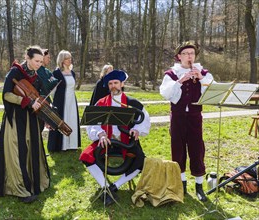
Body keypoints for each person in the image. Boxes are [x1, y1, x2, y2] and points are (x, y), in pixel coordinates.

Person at [79, 70, 151, 206]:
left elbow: (144, 120)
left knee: (140, 161)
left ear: (122, 84)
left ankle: (114, 187)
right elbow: (92, 124)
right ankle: (105, 186)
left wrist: (136, 130)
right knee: (86, 155)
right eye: (110, 83)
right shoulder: (101, 103)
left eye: (116, 83)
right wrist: (100, 134)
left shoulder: (133, 103)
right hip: (105, 141)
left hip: (126, 141)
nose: (113, 86)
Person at [0, 45, 50, 203]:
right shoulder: (15, 72)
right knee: (18, 151)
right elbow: (7, 95)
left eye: (41, 61)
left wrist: (42, 104)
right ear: (27, 58)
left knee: (31, 149)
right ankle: (19, 188)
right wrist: (25, 101)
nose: (39, 64)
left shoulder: (37, 76)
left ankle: (34, 183)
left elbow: (41, 94)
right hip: (16, 119)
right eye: (36, 61)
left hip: (31, 118)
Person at [159, 41, 214, 202]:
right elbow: (166, 93)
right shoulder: (172, 73)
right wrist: (181, 81)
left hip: (195, 117)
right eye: (186, 53)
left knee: (197, 149)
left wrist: (202, 78)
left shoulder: (203, 71)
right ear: (179, 56)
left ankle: (199, 186)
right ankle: (181, 185)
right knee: (178, 149)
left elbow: (213, 91)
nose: (189, 56)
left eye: (192, 53)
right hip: (178, 116)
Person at [47, 50, 81, 152]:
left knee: (72, 120)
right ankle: (61, 146)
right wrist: (54, 102)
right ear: (62, 60)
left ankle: (72, 145)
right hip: (61, 101)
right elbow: (51, 89)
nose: (69, 60)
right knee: (62, 121)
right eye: (67, 58)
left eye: (70, 58)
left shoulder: (73, 73)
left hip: (72, 101)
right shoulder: (56, 73)